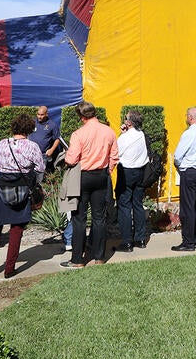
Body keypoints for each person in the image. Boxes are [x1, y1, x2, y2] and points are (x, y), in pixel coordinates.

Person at [0, 113, 45, 278]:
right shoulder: (32, 146)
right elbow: (40, 168)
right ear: (29, 129)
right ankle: (9, 269)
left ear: (13, 127)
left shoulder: (3, 143)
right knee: (16, 229)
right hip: (21, 188)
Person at [61, 101, 119, 268]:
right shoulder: (108, 131)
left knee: (79, 218)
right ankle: (99, 257)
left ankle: (77, 259)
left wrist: (66, 158)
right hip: (101, 175)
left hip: (83, 176)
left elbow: (71, 159)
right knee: (99, 218)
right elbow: (114, 156)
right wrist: (107, 170)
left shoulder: (78, 134)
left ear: (81, 116)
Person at [171, 107, 196, 252]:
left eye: (187, 115)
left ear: (191, 118)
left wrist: (181, 168)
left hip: (190, 171)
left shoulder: (188, 134)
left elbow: (178, 156)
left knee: (188, 208)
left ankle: (188, 241)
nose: (186, 118)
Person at [115, 110, 150, 252]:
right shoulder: (142, 135)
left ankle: (127, 241)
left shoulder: (124, 138)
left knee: (124, 205)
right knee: (138, 204)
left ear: (128, 122)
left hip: (126, 172)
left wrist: (122, 134)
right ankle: (140, 238)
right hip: (141, 171)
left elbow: (117, 152)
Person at [29, 105, 62, 170]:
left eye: (41, 115)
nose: (39, 117)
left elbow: (58, 139)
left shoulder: (52, 125)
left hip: (43, 156)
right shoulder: (32, 122)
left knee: (40, 176)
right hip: (30, 154)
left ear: (46, 114)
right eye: (38, 114)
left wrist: (51, 150)